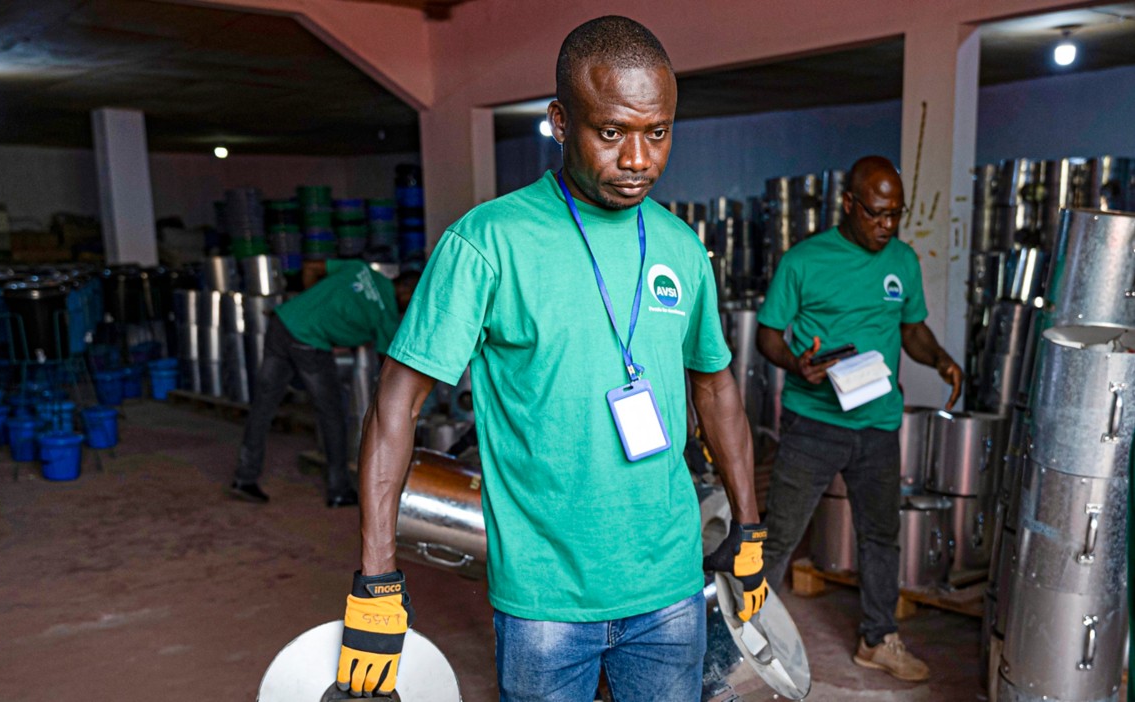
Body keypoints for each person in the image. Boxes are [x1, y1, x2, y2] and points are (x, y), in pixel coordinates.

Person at [331, 16, 765, 701]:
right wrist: (376, 580)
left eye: (657, 133)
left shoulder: (682, 247)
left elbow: (716, 389)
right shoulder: (488, 242)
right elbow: (395, 404)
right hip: (544, 596)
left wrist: (749, 523)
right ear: (561, 121)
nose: (638, 160)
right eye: (612, 132)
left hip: (672, 585)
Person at [755, 155, 963, 683]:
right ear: (848, 204)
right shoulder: (804, 260)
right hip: (813, 423)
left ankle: (878, 638)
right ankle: (747, 635)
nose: (886, 226)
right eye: (875, 214)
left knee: (880, 537)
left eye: (896, 214)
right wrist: (797, 366)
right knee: (780, 535)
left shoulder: (903, 261)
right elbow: (768, 336)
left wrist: (939, 358)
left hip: (878, 425)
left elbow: (912, 328)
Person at [228, 259, 418, 507]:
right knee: (332, 415)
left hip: (283, 322)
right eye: (411, 299)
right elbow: (388, 366)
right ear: (405, 290)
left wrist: (311, 305)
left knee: (263, 406)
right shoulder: (387, 314)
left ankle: (244, 478)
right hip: (309, 343)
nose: (409, 306)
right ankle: (338, 490)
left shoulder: (360, 269)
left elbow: (311, 267)